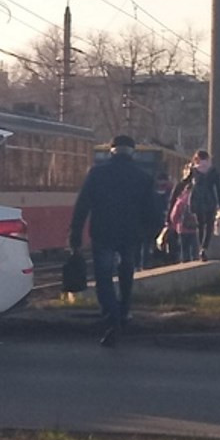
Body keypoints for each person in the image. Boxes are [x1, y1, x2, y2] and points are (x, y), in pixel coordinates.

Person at [68, 135, 161, 347]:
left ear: (112, 151)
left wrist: (75, 234)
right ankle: (125, 311)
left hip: (103, 232)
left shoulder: (96, 174)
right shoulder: (143, 177)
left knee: (103, 277)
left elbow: (82, 206)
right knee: (127, 273)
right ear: (133, 152)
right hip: (130, 234)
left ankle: (112, 317)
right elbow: (153, 212)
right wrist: (150, 234)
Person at [188, 149, 220, 260]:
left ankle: (200, 246)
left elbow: (185, 184)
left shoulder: (193, 170)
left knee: (200, 225)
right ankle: (204, 248)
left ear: (197, 158)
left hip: (197, 200)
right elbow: (219, 189)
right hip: (210, 201)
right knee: (209, 226)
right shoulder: (213, 171)